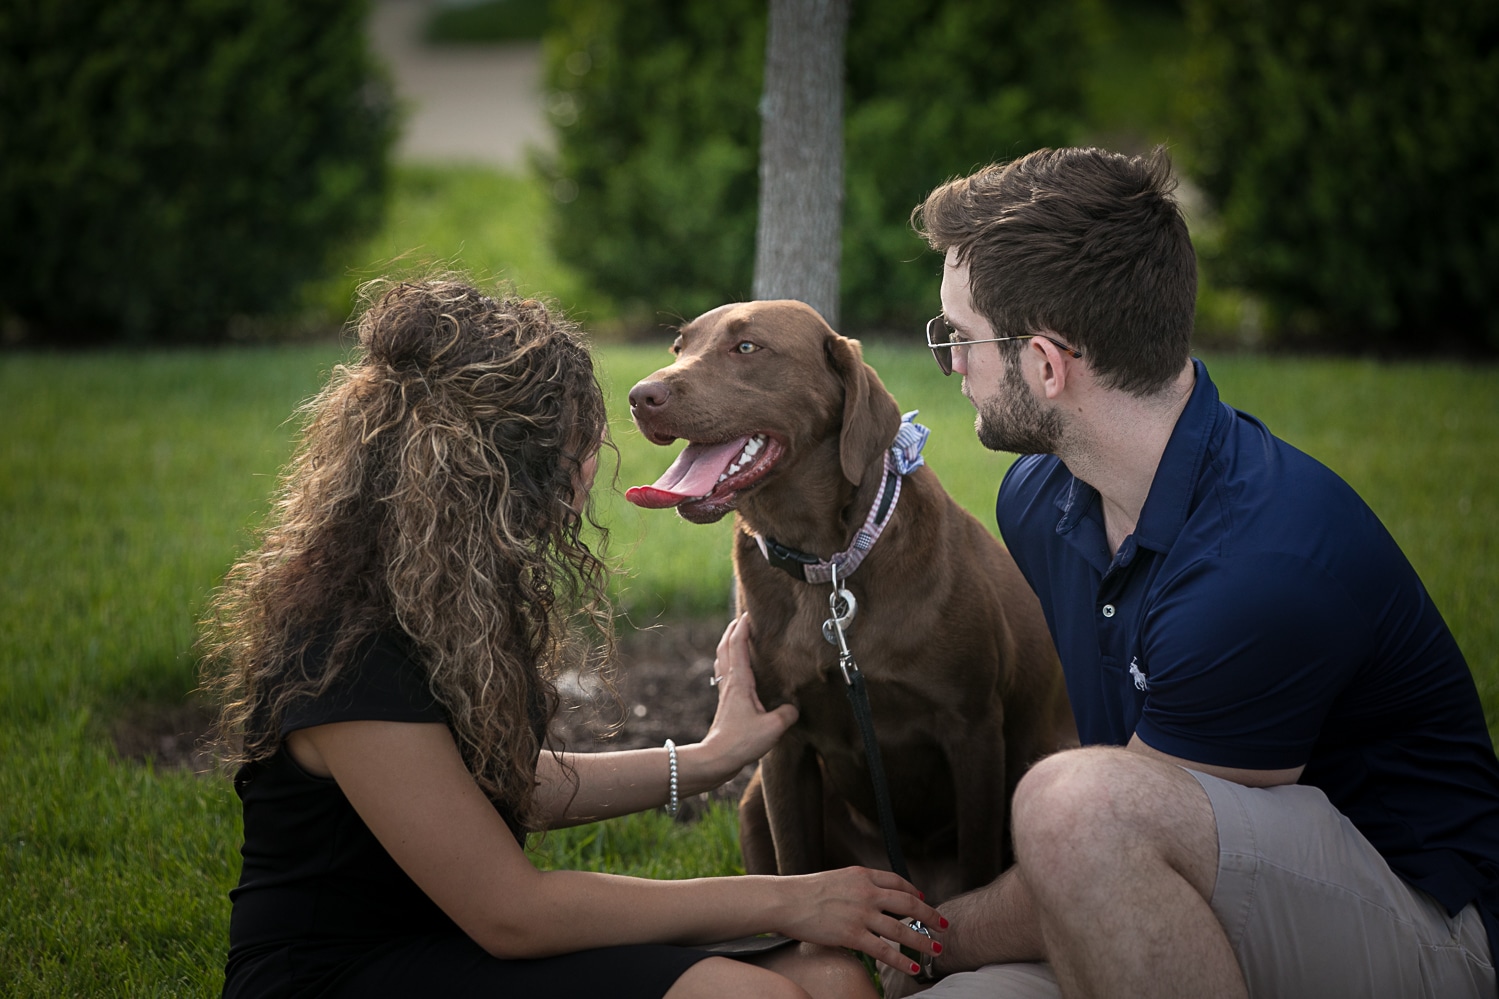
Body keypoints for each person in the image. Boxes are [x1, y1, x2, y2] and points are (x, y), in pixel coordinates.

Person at [200, 279, 944, 999]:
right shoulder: (347, 647)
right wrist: (785, 900)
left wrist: (713, 756)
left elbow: (501, 783)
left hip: (452, 938)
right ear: (501, 467)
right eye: (584, 436)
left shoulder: (449, 594)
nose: (599, 459)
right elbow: (514, 914)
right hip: (343, 971)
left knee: (834, 979)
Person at [904, 147, 1499, 998]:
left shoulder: (1260, 567)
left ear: (1045, 363)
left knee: (1071, 807)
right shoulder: (1038, 500)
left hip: (1428, 930)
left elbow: (1103, 826)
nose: (952, 363)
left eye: (959, 338)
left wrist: (928, 937)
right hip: (1183, 889)